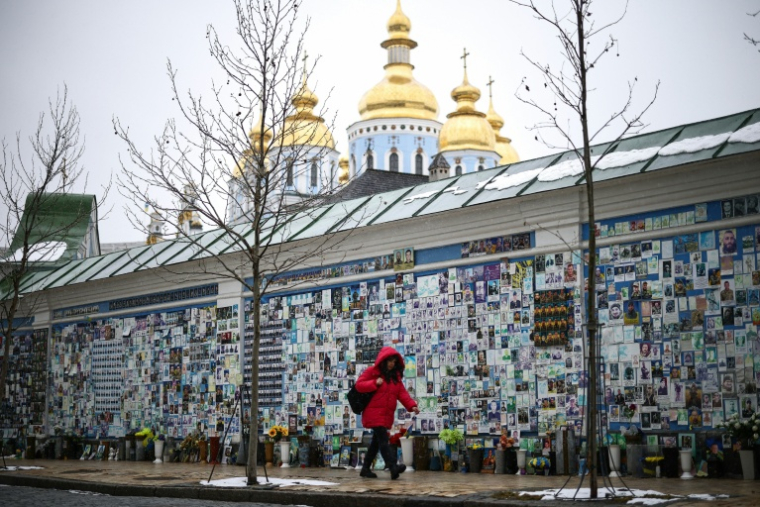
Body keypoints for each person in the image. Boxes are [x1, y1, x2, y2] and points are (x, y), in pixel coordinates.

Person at [355, 347, 419, 479]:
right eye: (389, 360)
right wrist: (374, 383)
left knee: (376, 443)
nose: (391, 363)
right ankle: (392, 467)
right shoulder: (373, 372)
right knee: (383, 440)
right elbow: (359, 385)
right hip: (373, 413)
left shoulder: (395, 378)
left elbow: (402, 394)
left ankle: (365, 468)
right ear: (383, 360)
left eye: (394, 361)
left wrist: (412, 406)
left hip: (385, 415)